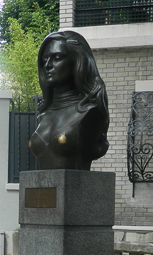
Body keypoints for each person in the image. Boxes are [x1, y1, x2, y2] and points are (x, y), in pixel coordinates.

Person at [29, 31, 109, 170]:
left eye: (57, 57)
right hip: (43, 190)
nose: (48, 65)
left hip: (76, 187)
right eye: (44, 60)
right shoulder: (43, 115)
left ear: (78, 61)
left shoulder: (90, 112)